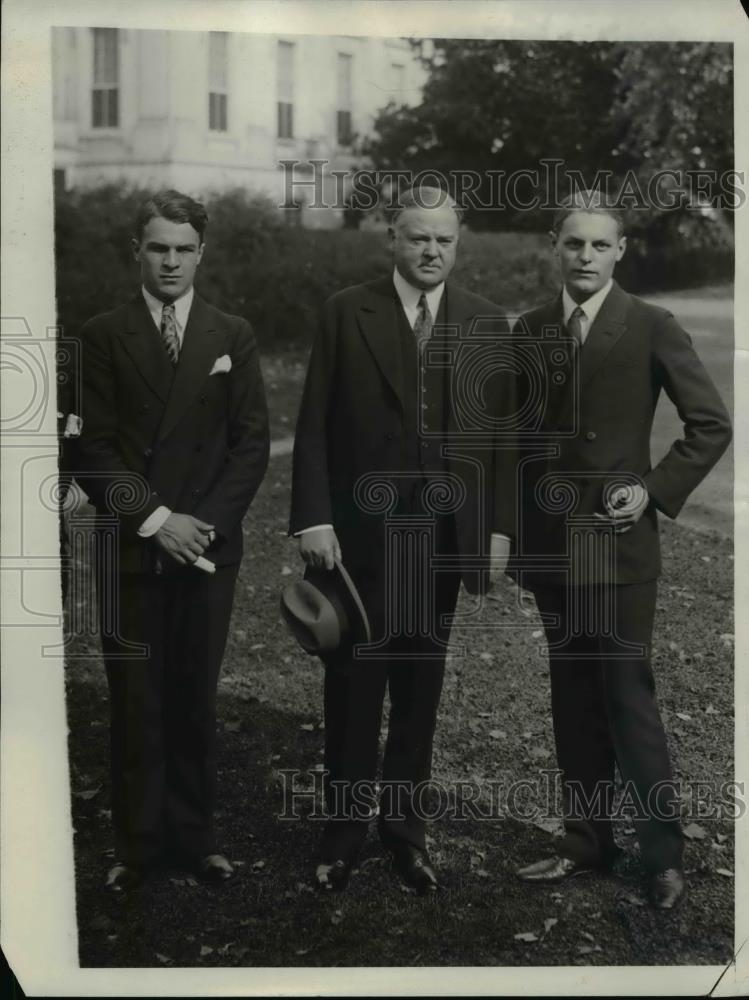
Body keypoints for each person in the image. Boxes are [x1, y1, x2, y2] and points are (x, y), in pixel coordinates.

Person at [289, 186, 516, 893]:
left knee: (420, 690)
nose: (431, 251)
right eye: (418, 237)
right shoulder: (345, 312)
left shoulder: (484, 322)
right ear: (392, 237)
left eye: (444, 240)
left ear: (458, 243)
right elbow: (314, 424)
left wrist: (498, 529)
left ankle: (405, 835)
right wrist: (314, 518)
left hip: (443, 541)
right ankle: (341, 835)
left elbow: (502, 441)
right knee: (353, 688)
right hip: (360, 541)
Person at [512, 191, 731, 909]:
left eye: (599, 245)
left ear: (620, 251)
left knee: (626, 699)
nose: (585, 257)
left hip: (616, 546)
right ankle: (586, 842)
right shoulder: (532, 329)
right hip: (553, 546)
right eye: (573, 243)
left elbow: (710, 424)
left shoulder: (650, 324)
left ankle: (661, 856)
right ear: (555, 245)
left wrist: (651, 489)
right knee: (571, 698)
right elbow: (512, 442)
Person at [75, 190, 269, 893]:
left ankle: (196, 839)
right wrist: (158, 520)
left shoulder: (231, 334)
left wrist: (199, 526)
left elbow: (250, 446)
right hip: (133, 548)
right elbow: (91, 450)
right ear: (137, 251)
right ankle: (137, 845)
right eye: (158, 247)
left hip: (207, 549)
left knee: (193, 694)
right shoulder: (102, 334)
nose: (171, 261)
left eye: (184, 249)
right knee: (135, 698)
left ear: (201, 254)